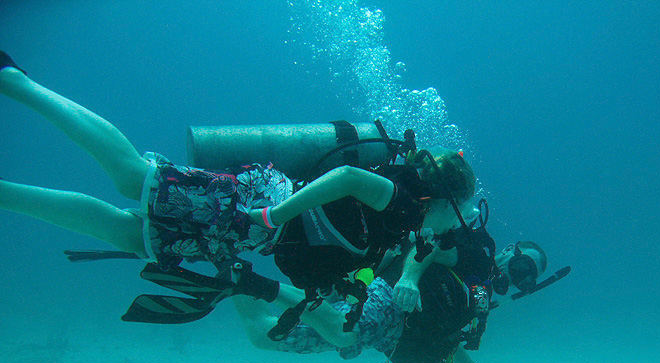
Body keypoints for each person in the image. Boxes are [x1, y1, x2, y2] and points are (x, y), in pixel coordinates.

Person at [0, 52, 476, 333]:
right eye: (457, 213)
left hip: (254, 230)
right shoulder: (399, 198)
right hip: (260, 205)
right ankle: (18, 83)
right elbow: (348, 179)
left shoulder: (407, 225)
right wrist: (273, 215)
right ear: (442, 198)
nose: (452, 225)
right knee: (135, 178)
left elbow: (380, 249)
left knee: (132, 234)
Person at [232, 239, 550, 363]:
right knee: (343, 331)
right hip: (390, 300)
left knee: (263, 336)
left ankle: (233, 271)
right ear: (510, 250)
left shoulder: (481, 300)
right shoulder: (473, 254)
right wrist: (409, 278)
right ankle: (257, 284)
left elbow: (447, 341)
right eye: (521, 266)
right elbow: (426, 246)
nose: (516, 277)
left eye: (525, 279)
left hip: (387, 336)